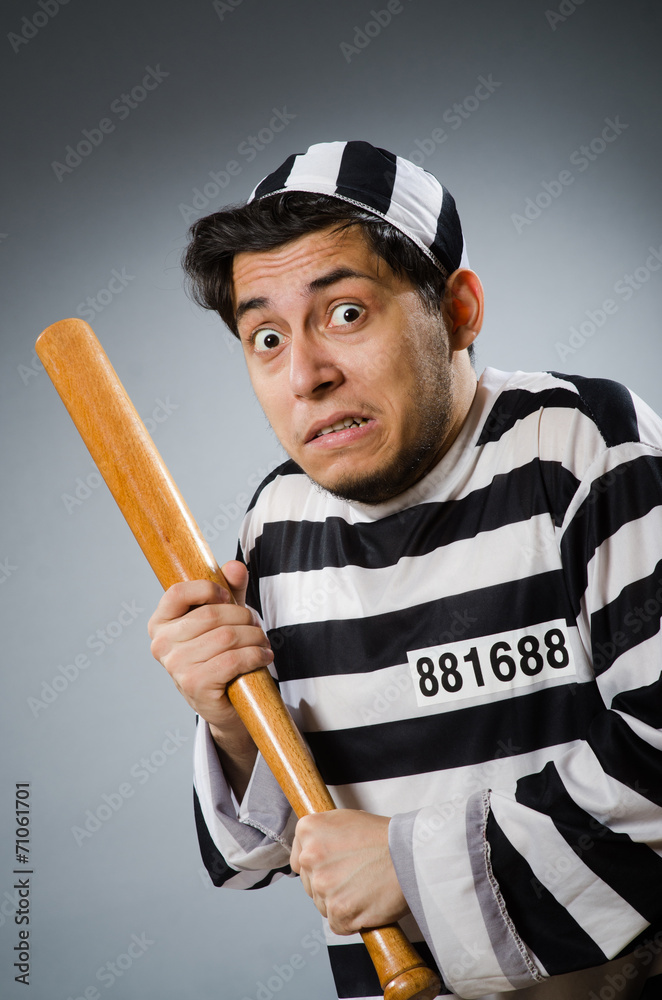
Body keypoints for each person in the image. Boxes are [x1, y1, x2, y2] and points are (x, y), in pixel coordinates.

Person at [147, 141, 662, 999]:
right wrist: (232, 725)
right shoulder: (278, 522)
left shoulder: (583, 447)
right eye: (266, 337)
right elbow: (269, 852)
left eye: (345, 313)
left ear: (458, 311)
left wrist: (409, 862)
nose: (306, 375)